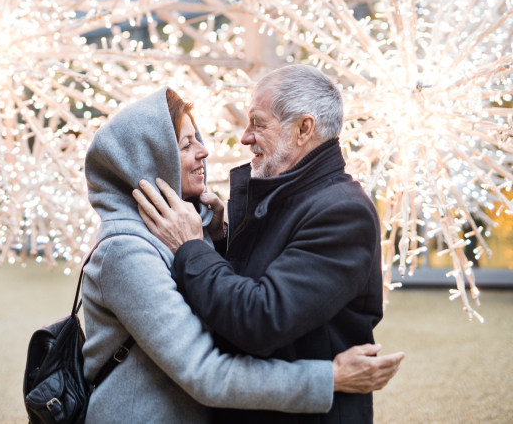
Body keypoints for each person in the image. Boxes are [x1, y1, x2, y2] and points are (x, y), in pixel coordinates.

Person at [82, 85, 403, 424]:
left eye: (258, 123)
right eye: (187, 144)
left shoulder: (183, 231)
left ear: (304, 129)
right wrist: (330, 377)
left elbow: (231, 307)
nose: (204, 151)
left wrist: (215, 242)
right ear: (150, 159)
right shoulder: (127, 248)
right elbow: (206, 372)